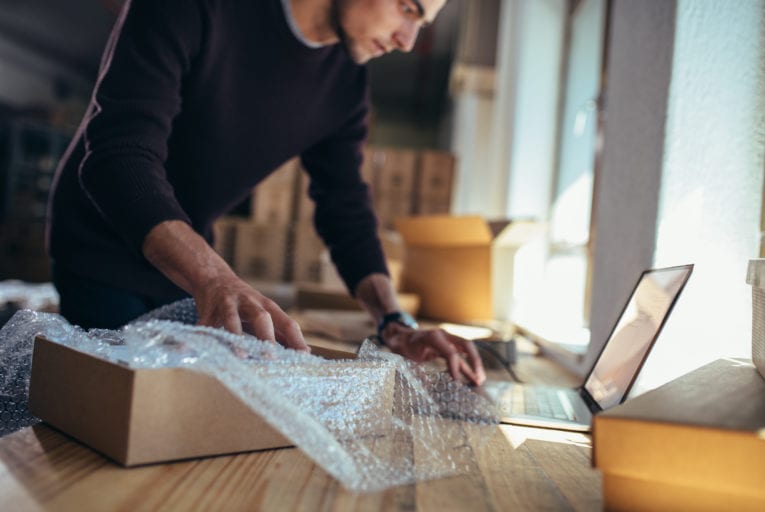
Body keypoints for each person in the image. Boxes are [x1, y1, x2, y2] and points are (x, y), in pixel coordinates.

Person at [47, 0, 486, 385]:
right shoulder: (197, 6)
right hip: (102, 241)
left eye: (423, 24)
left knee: (191, 410)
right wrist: (216, 278)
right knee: (118, 414)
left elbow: (346, 210)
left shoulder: (347, 88)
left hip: (188, 263)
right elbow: (119, 157)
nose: (408, 40)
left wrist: (395, 322)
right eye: (407, 8)